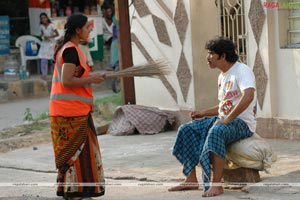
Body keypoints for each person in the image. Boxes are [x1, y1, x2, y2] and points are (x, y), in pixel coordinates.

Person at [169, 36, 257, 197]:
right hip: (225, 119)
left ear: (222, 56)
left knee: (217, 131)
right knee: (186, 129)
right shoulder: (222, 76)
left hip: (242, 123)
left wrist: (227, 120)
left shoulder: (242, 70)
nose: (207, 57)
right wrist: (202, 113)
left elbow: (249, 96)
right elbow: (225, 106)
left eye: (211, 53)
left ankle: (216, 184)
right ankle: (191, 179)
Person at [50, 14, 106, 200]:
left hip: (74, 111)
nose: (90, 30)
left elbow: (75, 78)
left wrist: (91, 77)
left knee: (81, 155)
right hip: (70, 113)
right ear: (77, 30)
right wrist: (92, 79)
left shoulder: (70, 49)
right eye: (87, 27)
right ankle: (76, 193)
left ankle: (80, 192)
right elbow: (67, 81)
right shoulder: (70, 51)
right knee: (78, 155)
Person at [38, 12, 59, 80]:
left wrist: (49, 37)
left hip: (51, 43)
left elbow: (57, 34)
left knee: (53, 59)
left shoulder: (51, 25)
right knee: (43, 59)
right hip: (45, 44)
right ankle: (44, 74)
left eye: (44, 18)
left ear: (47, 18)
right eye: (42, 18)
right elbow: (42, 33)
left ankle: (56, 73)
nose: (43, 19)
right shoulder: (41, 26)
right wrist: (42, 36)